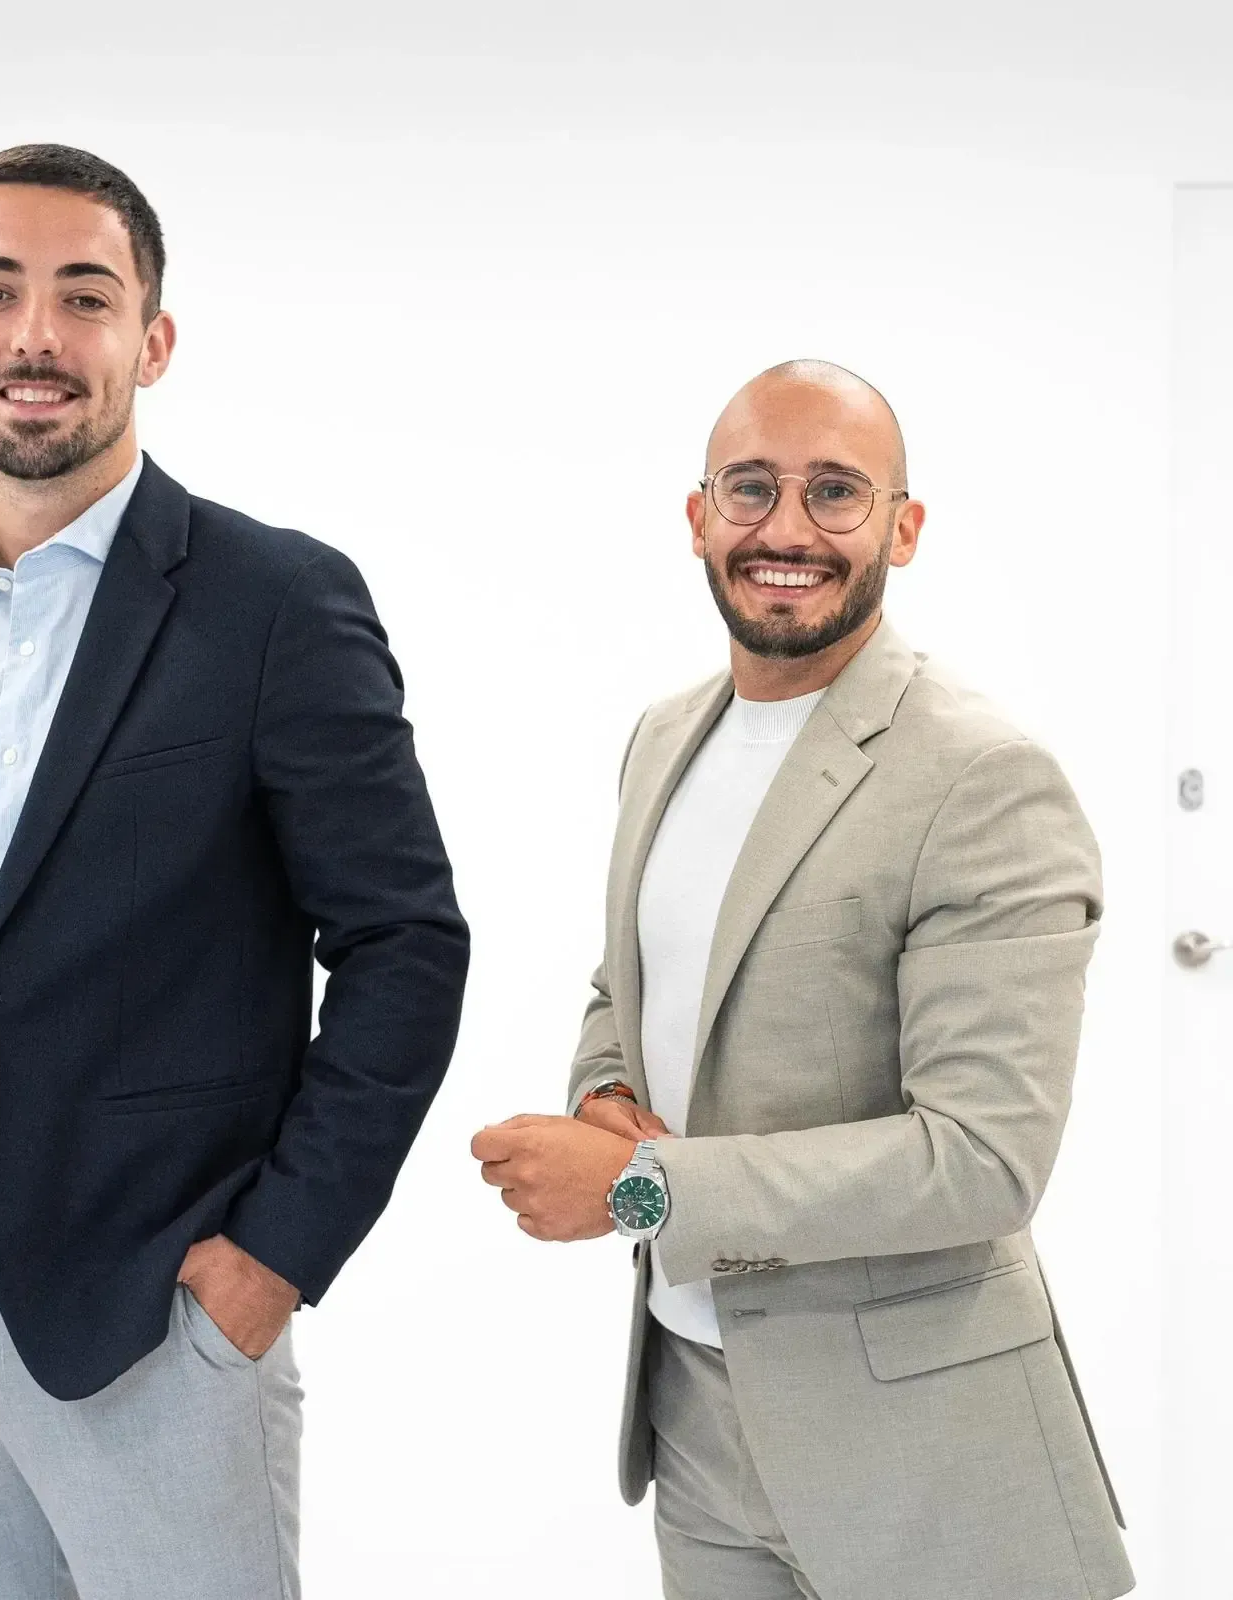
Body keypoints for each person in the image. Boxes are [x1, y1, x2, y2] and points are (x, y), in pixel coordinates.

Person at [0, 142, 468, 1600]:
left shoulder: (275, 603)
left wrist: (269, 1261)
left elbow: (404, 945)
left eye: (85, 297)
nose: (36, 337)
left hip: (162, 1325)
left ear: (153, 339)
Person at [471, 360, 1133, 1600]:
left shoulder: (981, 776)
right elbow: (632, 976)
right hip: (697, 1417)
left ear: (903, 526)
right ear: (697, 516)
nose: (785, 529)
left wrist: (638, 1192)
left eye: (835, 492)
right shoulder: (666, 735)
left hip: (922, 1451)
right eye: (751, 487)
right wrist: (605, 1083)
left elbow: (982, 1158)